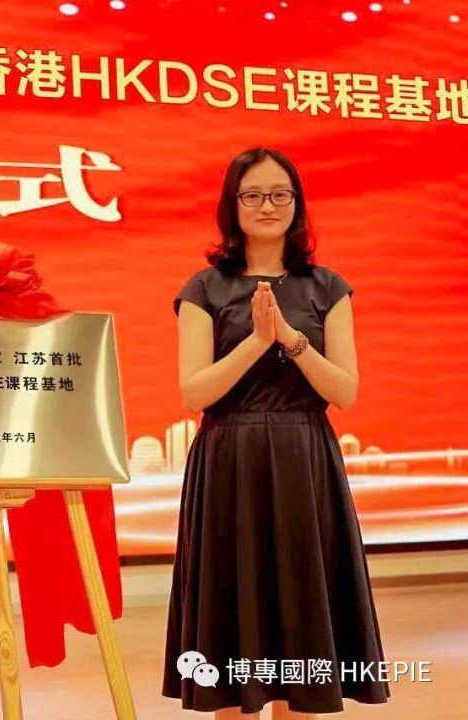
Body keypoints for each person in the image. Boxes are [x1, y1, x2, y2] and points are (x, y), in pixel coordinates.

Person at [162, 147, 390, 718]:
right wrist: (257, 342)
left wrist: (290, 338)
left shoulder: (328, 288)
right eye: (253, 195)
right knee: (230, 622)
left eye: (280, 194)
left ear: (297, 203)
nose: (268, 205)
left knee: (302, 618)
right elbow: (195, 393)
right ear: (232, 206)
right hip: (229, 461)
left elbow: (344, 391)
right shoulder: (204, 289)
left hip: (304, 459)